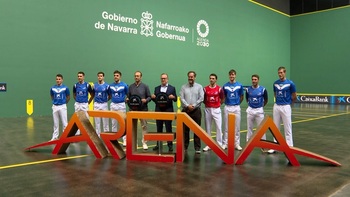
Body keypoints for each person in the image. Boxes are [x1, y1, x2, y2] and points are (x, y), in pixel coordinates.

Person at [268, 67, 297, 154]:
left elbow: (294, 96)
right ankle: (275, 146)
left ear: (285, 73)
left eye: (281, 72)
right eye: (279, 73)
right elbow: (275, 94)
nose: (280, 74)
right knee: (275, 127)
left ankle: (289, 146)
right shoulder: (275, 83)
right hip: (277, 106)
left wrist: (289, 104)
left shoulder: (290, 83)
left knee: (287, 127)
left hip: (286, 107)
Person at [151, 73, 177, 152]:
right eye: (162, 78)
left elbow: (175, 99)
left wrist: (173, 97)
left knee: (168, 128)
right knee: (159, 128)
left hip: (168, 111)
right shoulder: (157, 88)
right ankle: (158, 144)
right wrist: (153, 97)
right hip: (159, 110)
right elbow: (156, 100)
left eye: (165, 78)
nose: (163, 80)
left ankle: (170, 145)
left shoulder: (172, 88)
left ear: (167, 79)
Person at [180, 71, 204, 154]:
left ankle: (197, 148)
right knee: (185, 130)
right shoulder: (183, 87)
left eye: (192, 77)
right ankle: (185, 147)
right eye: (189, 76)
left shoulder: (199, 87)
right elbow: (181, 98)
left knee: (197, 129)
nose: (190, 78)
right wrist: (187, 106)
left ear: (195, 77)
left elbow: (201, 98)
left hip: (196, 111)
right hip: (186, 111)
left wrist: (193, 106)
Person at [127, 71, 151, 150]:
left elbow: (149, 97)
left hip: (143, 109)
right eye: (135, 76)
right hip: (132, 110)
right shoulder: (130, 87)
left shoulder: (145, 86)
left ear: (141, 77)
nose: (136, 77)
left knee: (144, 126)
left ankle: (144, 143)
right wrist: (126, 99)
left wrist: (146, 100)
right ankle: (134, 143)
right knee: (132, 127)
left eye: (138, 76)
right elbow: (128, 97)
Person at [222, 69, 244, 151]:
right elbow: (223, 96)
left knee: (237, 127)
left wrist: (237, 103)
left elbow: (241, 96)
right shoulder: (225, 86)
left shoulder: (239, 85)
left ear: (235, 75)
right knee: (226, 127)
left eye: (233, 74)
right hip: (227, 107)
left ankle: (236, 144)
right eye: (230, 75)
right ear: (229, 76)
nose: (232, 76)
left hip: (236, 107)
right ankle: (225, 143)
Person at [203, 73, 224, 152]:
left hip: (216, 109)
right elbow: (204, 99)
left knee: (218, 127)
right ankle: (208, 144)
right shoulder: (205, 89)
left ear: (216, 79)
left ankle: (219, 144)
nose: (211, 80)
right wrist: (208, 105)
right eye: (210, 78)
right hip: (208, 109)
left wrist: (218, 104)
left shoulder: (219, 89)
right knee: (208, 127)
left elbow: (222, 98)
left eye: (213, 78)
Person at [245, 74, 268, 142]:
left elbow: (266, 100)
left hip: (259, 111)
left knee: (261, 128)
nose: (253, 81)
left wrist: (260, 106)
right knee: (249, 128)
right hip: (250, 110)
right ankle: (248, 142)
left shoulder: (263, 89)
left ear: (258, 80)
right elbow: (247, 99)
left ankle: (263, 144)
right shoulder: (248, 89)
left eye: (255, 79)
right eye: (252, 79)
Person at [109, 70, 128, 146]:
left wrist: (125, 100)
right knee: (113, 123)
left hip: (121, 105)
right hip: (113, 104)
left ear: (120, 76)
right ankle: (114, 139)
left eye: (117, 75)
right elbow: (110, 94)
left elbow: (127, 94)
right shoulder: (110, 86)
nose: (115, 77)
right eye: (114, 75)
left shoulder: (124, 85)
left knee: (123, 123)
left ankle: (125, 140)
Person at [50, 74, 70, 141]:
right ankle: (55, 137)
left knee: (65, 123)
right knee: (55, 123)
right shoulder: (53, 88)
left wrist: (64, 103)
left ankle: (65, 137)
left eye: (59, 79)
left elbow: (68, 97)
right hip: (55, 107)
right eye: (57, 79)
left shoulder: (65, 88)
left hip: (62, 106)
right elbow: (52, 95)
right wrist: (55, 102)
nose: (58, 80)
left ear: (62, 80)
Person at [93, 72, 110, 137]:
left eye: (101, 76)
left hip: (104, 104)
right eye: (99, 76)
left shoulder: (107, 86)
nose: (100, 77)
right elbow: (93, 94)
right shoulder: (94, 85)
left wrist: (105, 100)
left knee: (105, 121)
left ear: (103, 77)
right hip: (96, 104)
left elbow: (110, 95)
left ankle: (106, 136)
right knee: (97, 122)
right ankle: (98, 136)